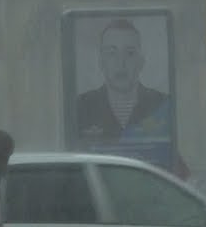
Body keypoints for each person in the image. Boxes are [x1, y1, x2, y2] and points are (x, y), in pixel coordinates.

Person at [75, 18, 190, 179]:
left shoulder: (161, 104)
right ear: (101, 62)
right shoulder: (82, 106)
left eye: (129, 53)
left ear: (141, 61)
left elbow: (179, 172)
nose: (120, 63)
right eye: (111, 53)